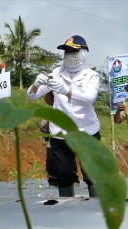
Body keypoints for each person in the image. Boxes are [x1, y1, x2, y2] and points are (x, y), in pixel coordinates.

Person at [27, 35, 100, 197]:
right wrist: (36, 84)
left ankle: (97, 210)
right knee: (64, 175)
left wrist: (65, 90)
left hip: (87, 130)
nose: (69, 55)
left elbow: (89, 99)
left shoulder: (91, 76)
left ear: (84, 53)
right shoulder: (56, 73)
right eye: (66, 51)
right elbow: (32, 96)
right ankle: (67, 212)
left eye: (74, 51)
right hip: (61, 133)